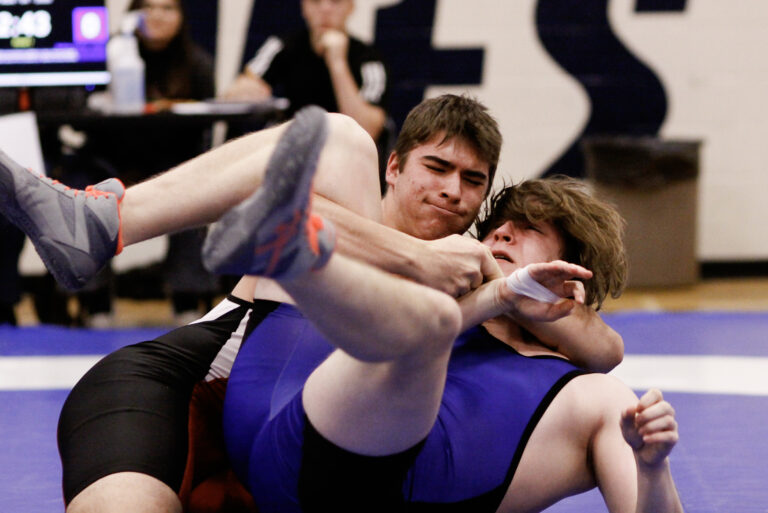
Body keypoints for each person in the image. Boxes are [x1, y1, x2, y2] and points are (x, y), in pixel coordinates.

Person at [0, 97, 622, 512]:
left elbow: (604, 349)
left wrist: (526, 297)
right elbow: (275, 212)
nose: (453, 192)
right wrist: (416, 259)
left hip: (303, 442)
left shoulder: (472, 270)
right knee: (341, 137)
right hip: (187, 382)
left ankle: (101, 222)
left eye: (474, 181)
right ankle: (102, 222)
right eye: (436, 168)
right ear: (396, 168)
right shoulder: (377, 213)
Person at [219, 165, 683, 512]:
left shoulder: (594, 398)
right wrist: (500, 295)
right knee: (341, 168)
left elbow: (605, 352)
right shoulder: (431, 294)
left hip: (363, 486)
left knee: (416, 317)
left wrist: (652, 467)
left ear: (573, 273)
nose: (502, 231)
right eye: (497, 226)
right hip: (285, 446)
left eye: (529, 229)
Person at [76, 0, 219, 324]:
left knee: (199, 190)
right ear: (132, 13)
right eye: (149, 7)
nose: (157, 16)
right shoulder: (108, 55)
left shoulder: (197, 64)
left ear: (181, 17)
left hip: (171, 164)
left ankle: (187, 300)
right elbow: (80, 117)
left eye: (168, 8)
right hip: (109, 164)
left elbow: (204, 129)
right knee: (83, 188)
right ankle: (95, 301)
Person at [223, 0, 389, 141]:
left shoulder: (369, 60)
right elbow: (233, 93)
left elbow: (368, 129)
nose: (325, 9)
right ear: (304, 7)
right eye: (316, 1)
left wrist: (337, 64)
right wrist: (248, 91)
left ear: (350, 7)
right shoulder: (282, 46)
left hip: (346, 151)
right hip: (294, 152)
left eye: (335, 1)